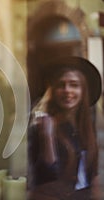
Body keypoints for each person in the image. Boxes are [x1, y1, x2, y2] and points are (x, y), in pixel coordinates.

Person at [28, 56, 102, 199]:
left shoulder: (87, 126)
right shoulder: (43, 125)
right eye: (61, 85)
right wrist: (46, 136)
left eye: (74, 84)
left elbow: (92, 173)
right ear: (54, 91)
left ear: (83, 91)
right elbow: (46, 177)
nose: (67, 90)